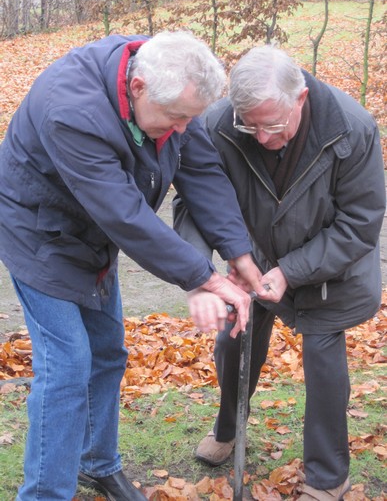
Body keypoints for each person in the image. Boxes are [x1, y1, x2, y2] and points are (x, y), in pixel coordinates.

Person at [0, 31, 270, 501]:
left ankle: (97, 462)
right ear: (139, 88)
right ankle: (45, 493)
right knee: (67, 366)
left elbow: (201, 170)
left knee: (108, 352)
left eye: (192, 117)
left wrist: (238, 254)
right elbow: (125, 215)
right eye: (177, 118)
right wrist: (202, 278)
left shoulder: (171, 78)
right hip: (38, 234)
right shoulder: (71, 110)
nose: (184, 128)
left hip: (93, 237)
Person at [173, 45, 385, 500]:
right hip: (250, 259)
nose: (263, 137)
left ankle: (328, 476)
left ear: (301, 99)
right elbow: (194, 202)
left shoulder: (353, 129)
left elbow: (359, 224)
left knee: (323, 362)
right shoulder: (218, 125)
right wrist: (203, 271)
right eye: (251, 124)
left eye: (272, 125)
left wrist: (291, 271)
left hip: (330, 270)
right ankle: (228, 427)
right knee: (233, 341)